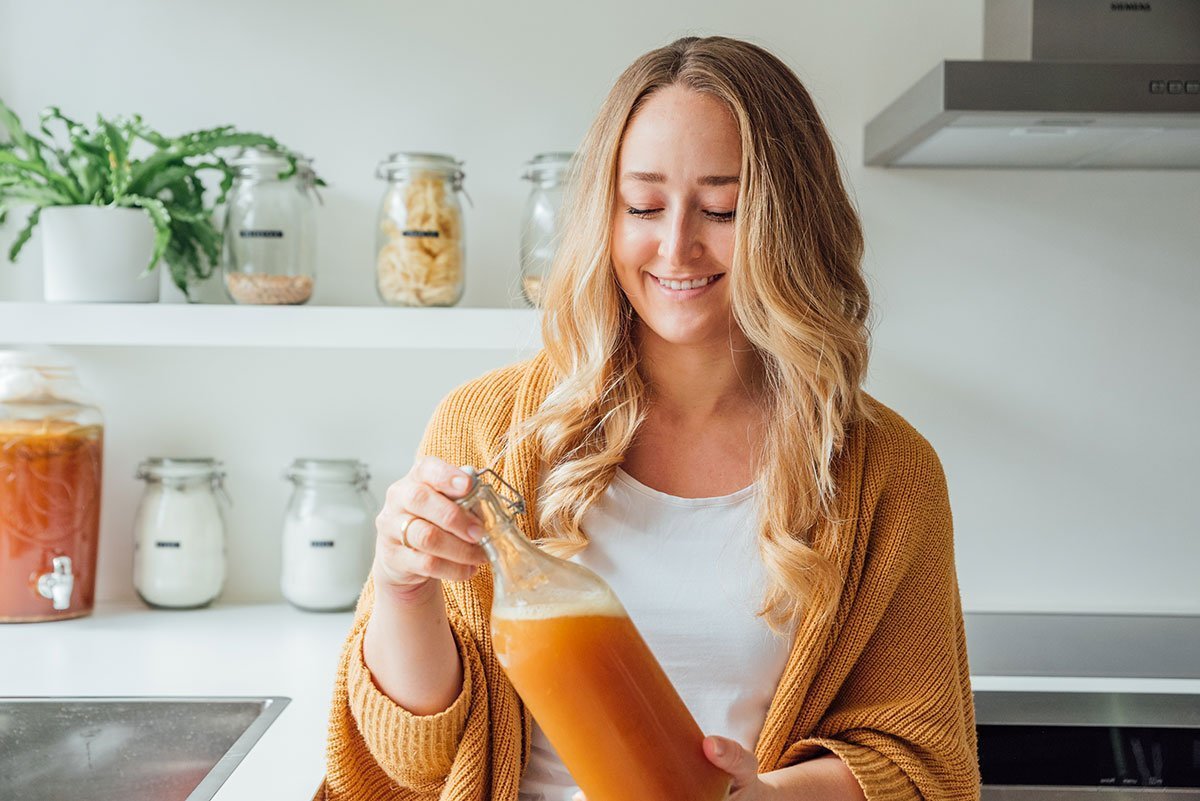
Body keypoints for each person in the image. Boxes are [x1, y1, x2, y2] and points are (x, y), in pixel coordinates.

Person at [317, 35, 980, 801]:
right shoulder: (489, 429)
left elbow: (921, 765)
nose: (675, 246)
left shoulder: (886, 473)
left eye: (723, 208)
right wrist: (402, 587)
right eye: (642, 205)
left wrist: (764, 797)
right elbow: (414, 757)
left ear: (792, 220)